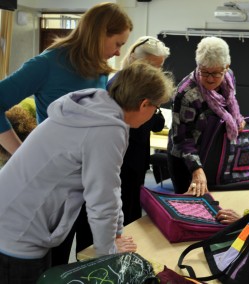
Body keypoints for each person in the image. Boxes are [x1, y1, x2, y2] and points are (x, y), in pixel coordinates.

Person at [0, 61, 174, 284]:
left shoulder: (95, 107)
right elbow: (102, 197)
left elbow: (110, 188)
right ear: (144, 104)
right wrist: (109, 254)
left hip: (12, 215)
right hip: (19, 231)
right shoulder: (107, 129)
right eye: (156, 107)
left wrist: (116, 235)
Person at [0, 2, 133, 266]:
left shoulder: (98, 70)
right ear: (99, 33)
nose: (119, 52)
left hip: (84, 183)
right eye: (117, 43)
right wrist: (19, 151)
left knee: (84, 256)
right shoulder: (46, 64)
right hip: (50, 188)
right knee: (53, 260)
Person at [167, 36, 245, 195]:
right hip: (186, 159)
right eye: (204, 72)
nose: (210, 79)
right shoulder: (186, 94)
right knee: (191, 206)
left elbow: (228, 104)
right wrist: (196, 169)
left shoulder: (228, 76)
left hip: (213, 152)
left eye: (216, 73)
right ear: (198, 65)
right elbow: (182, 139)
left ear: (226, 66)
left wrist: (237, 119)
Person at [107, 36, 170, 224]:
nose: (156, 72)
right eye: (152, 66)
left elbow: (156, 123)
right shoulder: (119, 84)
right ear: (135, 59)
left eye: (160, 67)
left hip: (137, 156)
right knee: (120, 210)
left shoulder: (142, 83)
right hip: (121, 157)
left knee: (133, 209)